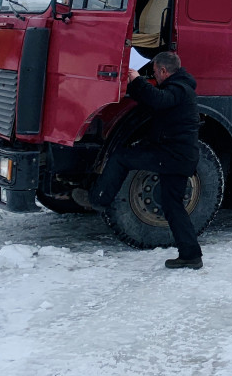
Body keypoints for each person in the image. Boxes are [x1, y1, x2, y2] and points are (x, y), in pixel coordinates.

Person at [78, 51, 204, 269]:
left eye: (155, 71)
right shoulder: (180, 86)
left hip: (173, 157)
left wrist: (137, 80)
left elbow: (159, 100)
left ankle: (98, 199)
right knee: (172, 206)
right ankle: (191, 255)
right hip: (178, 157)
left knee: (121, 158)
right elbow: (153, 101)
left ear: (164, 71)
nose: (153, 75)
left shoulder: (179, 89)